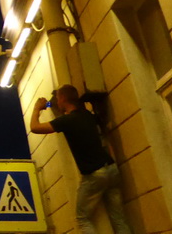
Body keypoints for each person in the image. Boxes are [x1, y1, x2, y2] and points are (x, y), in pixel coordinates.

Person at [30, 84, 133, 234]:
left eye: (58, 98)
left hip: (95, 175)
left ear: (64, 98)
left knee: (82, 218)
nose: (57, 103)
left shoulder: (67, 121)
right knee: (118, 218)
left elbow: (35, 127)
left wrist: (37, 109)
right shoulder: (88, 116)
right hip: (111, 169)